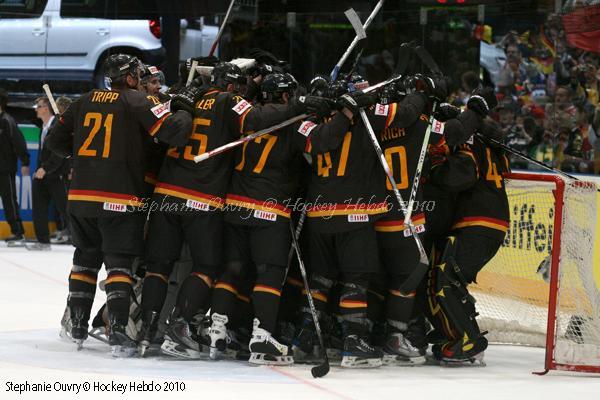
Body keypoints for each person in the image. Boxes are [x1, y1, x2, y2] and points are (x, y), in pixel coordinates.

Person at [140, 62, 324, 360]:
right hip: (204, 196)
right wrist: (301, 105)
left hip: (166, 194)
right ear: (231, 87)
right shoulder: (230, 101)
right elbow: (256, 116)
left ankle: (147, 330)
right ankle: (181, 327)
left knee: (159, 266)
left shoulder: (187, 96)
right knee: (209, 267)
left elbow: (155, 120)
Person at [45, 53, 193, 357]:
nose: (140, 79)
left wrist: (86, 161)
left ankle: (77, 325)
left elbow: (56, 143)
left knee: (85, 260)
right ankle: (119, 334)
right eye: (138, 74)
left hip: (81, 197)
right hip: (119, 198)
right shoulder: (136, 101)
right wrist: (183, 110)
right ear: (128, 77)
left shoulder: (83, 100)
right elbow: (173, 133)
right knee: (119, 264)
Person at [205, 73, 310, 365]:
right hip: (269, 210)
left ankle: (216, 330)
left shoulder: (247, 117)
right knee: (269, 272)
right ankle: (262, 337)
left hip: (236, 205)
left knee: (232, 269)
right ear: (287, 97)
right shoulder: (294, 124)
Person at [27, 97, 69, 251]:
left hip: (56, 174)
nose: (36, 109)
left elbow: (58, 153)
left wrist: (45, 168)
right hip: (43, 173)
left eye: (38, 106)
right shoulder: (44, 127)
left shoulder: (57, 125)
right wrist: (40, 169)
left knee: (65, 208)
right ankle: (43, 241)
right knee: (39, 207)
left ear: (46, 108)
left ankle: (84, 240)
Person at [0, 88, 29, 245]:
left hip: (5, 169)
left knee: (9, 201)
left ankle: (18, 232)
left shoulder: (7, 120)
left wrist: (25, 161)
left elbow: (19, 142)